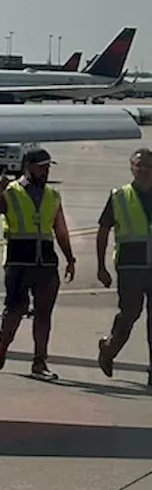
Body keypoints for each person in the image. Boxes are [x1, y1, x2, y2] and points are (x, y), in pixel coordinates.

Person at [0, 148, 75, 381]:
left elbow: (60, 229)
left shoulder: (53, 195)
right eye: (41, 166)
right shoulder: (11, 192)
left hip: (46, 261)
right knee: (15, 309)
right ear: (28, 166)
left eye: (48, 167)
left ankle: (40, 361)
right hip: (18, 260)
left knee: (44, 313)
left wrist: (70, 257)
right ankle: (3, 344)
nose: (46, 170)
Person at [96, 147, 152, 386]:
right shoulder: (120, 196)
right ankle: (110, 348)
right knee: (130, 313)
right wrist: (101, 266)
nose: (143, 170)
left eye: (148, 166)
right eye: (138, 166)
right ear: (132, 168)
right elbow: (103, 230)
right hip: (131, 265)